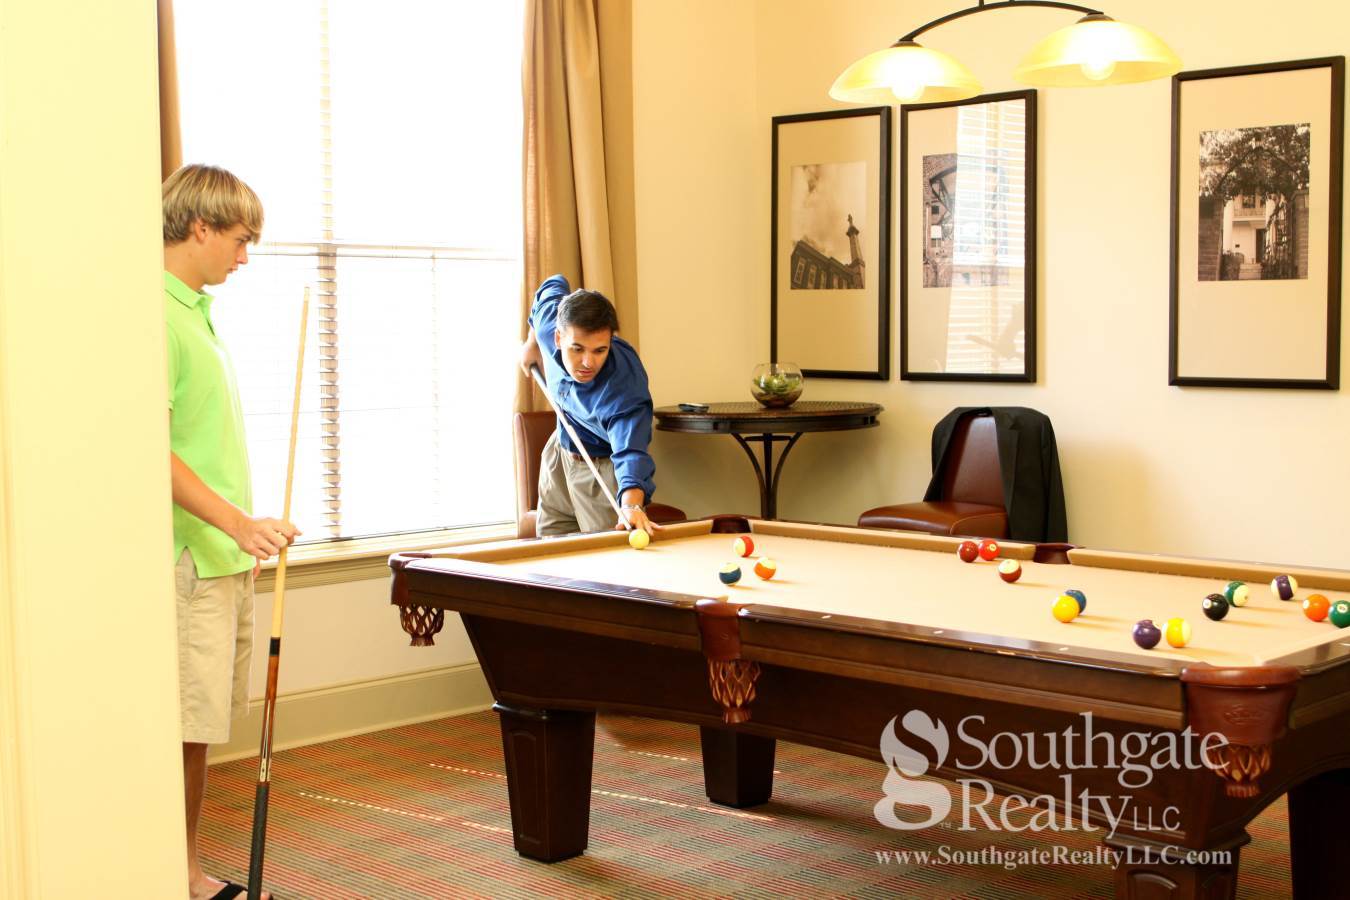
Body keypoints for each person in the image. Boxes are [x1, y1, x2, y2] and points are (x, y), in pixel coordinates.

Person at [163, 163, 298, 900]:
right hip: (190, 556)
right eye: (241, 240)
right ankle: (180, 877)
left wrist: (243, 534)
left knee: (200, 725)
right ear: (200, 226)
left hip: (219, 554)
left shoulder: (195, 312)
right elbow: (153, 451)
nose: (244, 257)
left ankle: (181, 869)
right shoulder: (155, 315)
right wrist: (236, 525)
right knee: (183, 727)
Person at [519, 274, 660, 537]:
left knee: (607, 557)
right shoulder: (549, 328)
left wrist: (631, 504)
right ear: (558, 338)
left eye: (599, 350)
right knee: (551, 547)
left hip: (602, 467)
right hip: (560, 451)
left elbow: (631, 452)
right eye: (577, 349)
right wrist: (532, 340)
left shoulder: (624, 389)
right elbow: (552, 284)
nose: (588, 363)